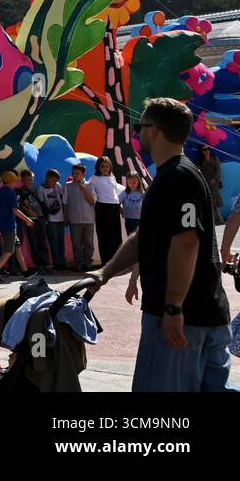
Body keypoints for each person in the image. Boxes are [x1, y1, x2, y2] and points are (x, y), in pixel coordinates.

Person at [87, 98, 231, 392]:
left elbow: (187, 241)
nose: (137, 133)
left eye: (140, 126)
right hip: (208, 312)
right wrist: (104, 274)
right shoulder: (177, 175)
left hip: (182, 318)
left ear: (155, 130)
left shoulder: (178, 178)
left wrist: (173, 307)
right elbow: (143, 238)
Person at [0, 171, 35, 277]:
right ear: (11, 182)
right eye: (15, 181)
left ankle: (25, 271)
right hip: (9, 225)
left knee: (18, 247)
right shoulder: (11, 193)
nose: (16, 183)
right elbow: (15, 210)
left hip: (3, 225)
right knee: (9, 250)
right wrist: (27, 220)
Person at [64, 163, 97, 272]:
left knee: (89, 243)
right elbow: (65, 203)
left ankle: (88, 263)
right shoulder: (68, 186)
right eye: (73, 173)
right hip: (74, 220)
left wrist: (84, 190)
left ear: (83, 174)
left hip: (89, 219)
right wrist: (65, 216)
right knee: (76, 243)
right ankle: (78, 263)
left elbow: (92, 201)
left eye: (77, 173)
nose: (75, 175)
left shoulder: (90, 185)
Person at [16, 169, 50, 273]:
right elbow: (22, 205)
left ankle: (45, 263)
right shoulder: (21, 191)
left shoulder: (36, 190)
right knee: (34, 242)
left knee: (43, 241)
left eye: (31, 179)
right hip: (31, 220)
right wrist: (30, 212)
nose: (29, 181)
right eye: (27, 179)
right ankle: (38, 264)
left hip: (41, 218)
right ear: (22, 180)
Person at [91, 156, 123, 266]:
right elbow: (92, 194)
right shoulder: (94, 178)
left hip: (114, 208)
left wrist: (120, 205)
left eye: (107, 166)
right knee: (104, 236)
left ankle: (117, 262)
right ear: (98, 167)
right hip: (102, 208)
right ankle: (106, 263)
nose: (105, 168)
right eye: (103, 166)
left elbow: (115, 193)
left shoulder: (112, 177)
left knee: (116, 236)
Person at [39, 169, 67, 272]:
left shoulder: (58, 186)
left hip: (60, 218)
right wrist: (46, 218)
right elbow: (42, 204)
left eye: (56, 180)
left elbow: (62, 201)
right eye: (53, 180)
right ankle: (57, 263)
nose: (54, 182)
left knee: (61, 242)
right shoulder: (41, 188)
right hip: (51, 220)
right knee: (53, 242)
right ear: (47, 177)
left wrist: (65, 216)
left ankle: (63, 263)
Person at [198, 145, 223, 225]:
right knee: (208, 202)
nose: (207, 151)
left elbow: (218, 170)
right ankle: (215, 220)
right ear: (202, 151)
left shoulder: (215, 158)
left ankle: (219, 220)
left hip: (214, 184)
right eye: (205, 149)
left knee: (214, 202)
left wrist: (215, 178)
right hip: (205, 183)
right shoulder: (200, 161)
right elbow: (200, 172)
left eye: (208, 149)